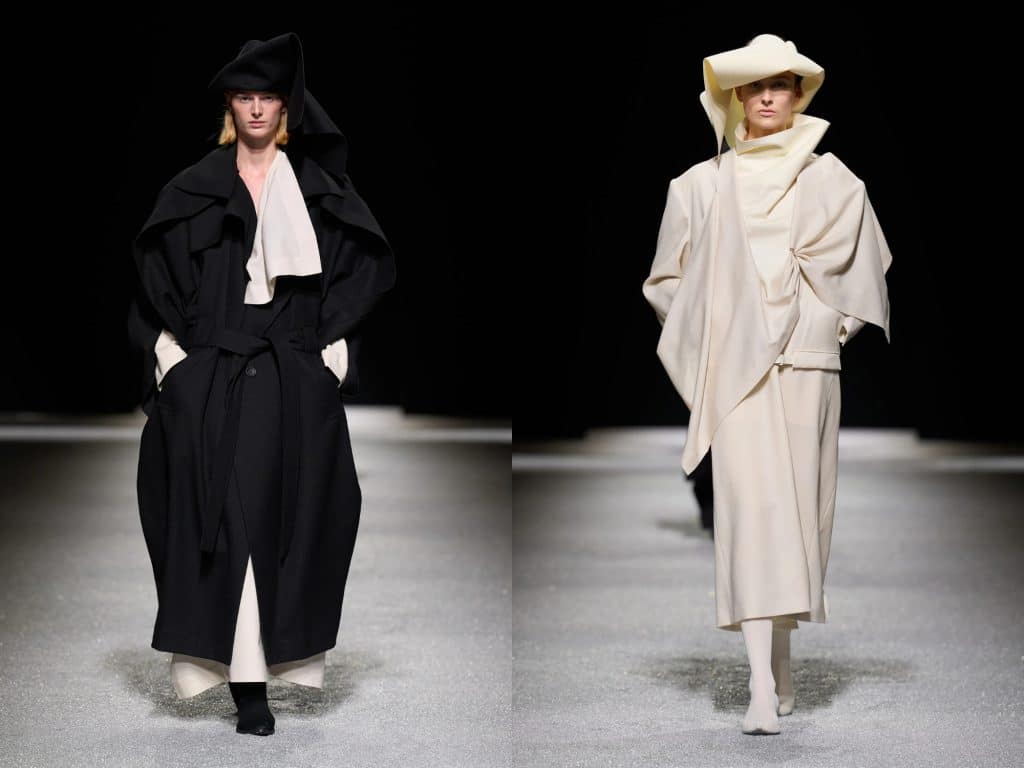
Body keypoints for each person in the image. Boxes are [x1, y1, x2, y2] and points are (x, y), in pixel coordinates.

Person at [126, 33, 396, 736]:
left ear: (285, 107)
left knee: (287, 518)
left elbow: (360, 270)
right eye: (244, 96)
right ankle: (243, 683)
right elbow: (152, 282)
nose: (254, 108)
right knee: (212, 521)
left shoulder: (316, 191)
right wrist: (173, 362)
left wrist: (328, 355)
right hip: (211, 373)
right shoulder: (193, 189)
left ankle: (262, 674)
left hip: (287, 377)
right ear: (230, 105)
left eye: (267, 96)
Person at [642, 34, 891, 735]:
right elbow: (665, 282)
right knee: (752, 519)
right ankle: (758, 683)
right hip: (738, 377)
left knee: (800, 522)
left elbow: (867, 266)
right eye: (754, 86)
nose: (768, 96)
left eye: (780, 83)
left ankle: (780, 661)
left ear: (799, 94)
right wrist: (715, 335)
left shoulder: (832, 180)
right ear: (735, 97)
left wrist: (832, 326)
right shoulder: (698, 185)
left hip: (808, 367)